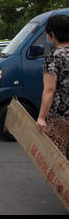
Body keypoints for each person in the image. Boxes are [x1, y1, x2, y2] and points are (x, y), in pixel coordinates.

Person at [37, 15, 69, 159]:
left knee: (59, 159)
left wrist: (41, 117)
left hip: (60, 116)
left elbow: (49, 90)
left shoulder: (54, 57)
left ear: (52, 34)